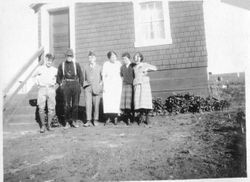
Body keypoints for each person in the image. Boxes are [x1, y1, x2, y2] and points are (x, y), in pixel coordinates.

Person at [56, 49, 84, 129]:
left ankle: (74, 121)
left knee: (75, 104)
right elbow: (58, 76)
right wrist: (61, 84)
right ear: (65, 56)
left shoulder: (76, 64)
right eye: (68, 56)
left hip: (75, 84)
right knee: (66, 105)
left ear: (73, 56)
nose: (69, 57)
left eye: (70, 56)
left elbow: (81, 75)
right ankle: (67, 122)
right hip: (66, 85)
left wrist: (80, 85)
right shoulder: (62, 65)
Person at [33, 53, 58, 133]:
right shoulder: (40, 68)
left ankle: (49, 125)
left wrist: (54, 86)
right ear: (45, 60)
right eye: (48, 60)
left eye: (50, 61)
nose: (49, 62)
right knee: (41, 108)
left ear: (52, 61)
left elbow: (59, 79)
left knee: (51, 108)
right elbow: (34, 76)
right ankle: (43, 126)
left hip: (51, 89)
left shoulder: (55, 70)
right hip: (42, 89)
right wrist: (38, 83)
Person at [133, 52, 157, 125]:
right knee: (139, 101)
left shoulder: (144, 64)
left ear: (141, 58)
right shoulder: (134, 67)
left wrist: (147, 70)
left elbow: (155, 68)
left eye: (138, 57)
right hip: (137, 84)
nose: (137, 58)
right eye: (135, 57)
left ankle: (147, 117)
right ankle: (141, 116)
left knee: (145, 101)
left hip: (144, 85)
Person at [82, 51, 103, 127]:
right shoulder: (85, 67)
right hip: (88, 88)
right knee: (88, 104)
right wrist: (85, 86)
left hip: (96, 88)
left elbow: (102, 79)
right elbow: (83, 78)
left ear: (95, 58)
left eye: (93, 57)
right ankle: (88, 120)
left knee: (96, 105)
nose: (91, 59)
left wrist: (100, 86)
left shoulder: (99, 67)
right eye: (89, 57)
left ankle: (96, 120)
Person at [102, 51, 122, 125]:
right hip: (108, 85)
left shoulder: (119, 64)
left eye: (115, 56)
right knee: (108, 101)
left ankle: (115, 117)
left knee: (116, 101)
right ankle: (108, 117)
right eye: (112, 56)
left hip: (116, 85)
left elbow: (121, 75)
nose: (114, 58)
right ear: (109, 58)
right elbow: (103, 75)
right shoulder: (106, 64)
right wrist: (104, 85)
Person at [120, 52, 135, 125]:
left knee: (130, 102)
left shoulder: (133, 65)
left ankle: (131, 117)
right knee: (125, 102)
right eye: (123, 59)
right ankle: (127, 117)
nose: (124, 60)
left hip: (131, 85)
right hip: (124, 85)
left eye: (125, 58)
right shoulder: (122, 67)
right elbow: (121, 76)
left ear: (129, 58)